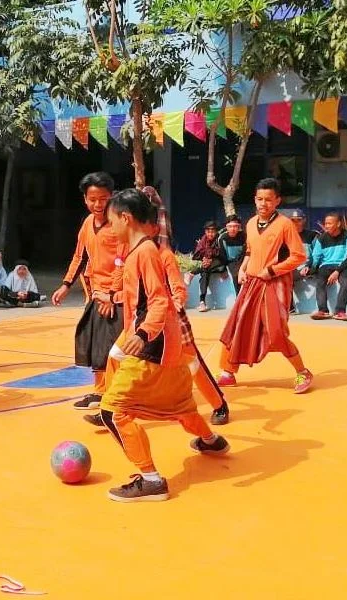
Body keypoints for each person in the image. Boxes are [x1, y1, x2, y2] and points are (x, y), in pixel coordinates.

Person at [99, 188, 229, 503]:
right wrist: (115, 297)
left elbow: (159, 300)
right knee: (180, 407)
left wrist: (143, 333)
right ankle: (210, 440)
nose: (110, 228)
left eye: (111, 221)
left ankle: (151, 480)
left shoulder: (145, 252)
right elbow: (142, 297)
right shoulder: (139, 251)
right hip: (167, 347)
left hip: (152, 348)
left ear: (126, 218)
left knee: (113, 412)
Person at [216, 178, 313, 394]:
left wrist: (272, 270)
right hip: (252, 283)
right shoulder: (251, 223)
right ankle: (228, 372)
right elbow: (250, 250)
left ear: (277, 200)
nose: (263, 203)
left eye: (268, 199)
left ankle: (303, 372)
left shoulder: (285, 225)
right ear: (254, 199)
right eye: (260, 199)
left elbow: (298, 256)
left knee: (275, 331)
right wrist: (243, 269)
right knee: (237, 326)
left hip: (274, 284)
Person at [51, 172, 124, 411]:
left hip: (116, 296)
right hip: (96, 293)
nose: (98, 204)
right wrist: (65, 285)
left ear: (112, 196)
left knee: (113, 349)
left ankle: (114, 396)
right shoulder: (87, 223)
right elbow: (79, 256)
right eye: (93, 199)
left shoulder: (119, 224)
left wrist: (112, 295)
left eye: (103, 198)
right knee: (96, 346)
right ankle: (100, 392)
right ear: (85, 199)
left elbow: (123, 261)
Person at [310, 212, 347, 321]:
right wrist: (309, 269)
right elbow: (316, 257)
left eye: (329, 223)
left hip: (343, 266)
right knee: (320, 281)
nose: (326, 226)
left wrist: (337, 271)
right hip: (326, 265)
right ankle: (323, 311)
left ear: (338, 224)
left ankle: (340, 311)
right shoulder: (321, 238)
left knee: (345, 282)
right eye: (326, 223)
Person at [185, 221, 225, 312]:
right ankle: (202, 302)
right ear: (205, 232)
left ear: (216, 232)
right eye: (208, 232)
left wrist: (211, 258)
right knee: (205, 272)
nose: (210, 234)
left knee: (207, 266)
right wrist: (204, 259)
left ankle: (192, 273)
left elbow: (222, 255)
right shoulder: (203, 241)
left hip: (220, 263)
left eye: (212, 231)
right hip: (207, 266)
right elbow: (197, 255)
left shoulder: (219, 239)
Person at [289, 209, 318, 314]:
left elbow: (316, 254)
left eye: (299, 220)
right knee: (284, 277)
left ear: (304, 220)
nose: (296, 222)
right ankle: (290, 307)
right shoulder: (287, 236)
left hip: (308, 266)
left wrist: (309, 266)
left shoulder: (312, 235)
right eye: (293, 220)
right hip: (292, 268)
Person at [218, 215, 246, 294]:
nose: (233, 229)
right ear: (226, 227)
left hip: (243, 260)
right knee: (236, 275)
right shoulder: (222, 238)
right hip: (231, 262)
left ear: (239, 227)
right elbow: (222, 256)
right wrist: (223, 269)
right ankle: (239, 297)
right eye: (230, 226)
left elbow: (246, 252)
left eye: (235, 226)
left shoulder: (244, 236)